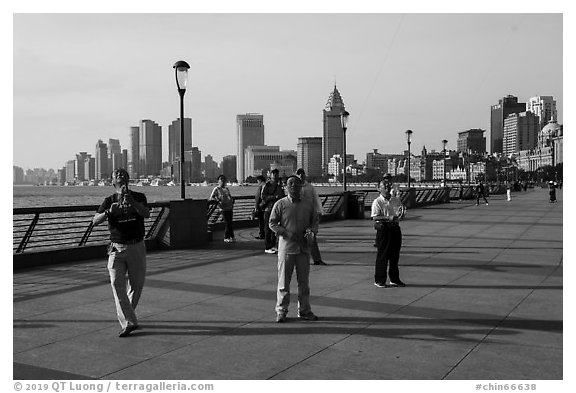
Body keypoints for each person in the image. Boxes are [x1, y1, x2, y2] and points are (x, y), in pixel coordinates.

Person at [92, 168, 150, 337]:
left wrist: (131, 201)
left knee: (136, 286)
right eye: (117, 175)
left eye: (123, 174)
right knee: (117, 285)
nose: (120, 176)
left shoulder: (139, 197)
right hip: (116, 248)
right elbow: (95, 220)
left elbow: (146, 214)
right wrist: (110, 212)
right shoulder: (109, 200)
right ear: (113, 182)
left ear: (128, 179)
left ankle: (128, 317)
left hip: (136, 246)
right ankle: (129, 322)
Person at [269, 176, 319, 322]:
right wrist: (285, 232)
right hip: (287, 249)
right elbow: (272, 223)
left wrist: (312, 231)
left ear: (301, 186)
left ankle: (304, 310)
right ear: (285, 187)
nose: (294, 186)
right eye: (290, 183)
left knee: (304, 283)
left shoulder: (308, 204)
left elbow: (315, 221)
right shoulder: (280, 204)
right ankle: (281, 311)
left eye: (297, 184)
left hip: (303, 249)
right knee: (283, 283)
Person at [371, 186, 405, 288]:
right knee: (383, 256)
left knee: (394, 256)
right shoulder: (377, 202)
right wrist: (388, 218)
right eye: (384, 187)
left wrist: (401, 214)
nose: (387, 188)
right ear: (379, 189)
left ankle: (395, 279)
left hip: (395, 228)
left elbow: (399, 212)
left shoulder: (395, 200)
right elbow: (374, 217)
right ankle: (380, 280)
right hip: (384, 229)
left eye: (388, 186)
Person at [296, 168, 327, 266]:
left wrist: (319, 211)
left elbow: (316, 199)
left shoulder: (310, 187)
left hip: (309, 215)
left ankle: (317, 259)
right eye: (299, 175)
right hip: (297, 215)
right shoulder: (293, 187)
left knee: (312, 237)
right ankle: (298, 259)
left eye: (302, 174)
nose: (301, 176)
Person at [260, 169, 285, 254]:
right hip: (269, 209)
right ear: (270, 175)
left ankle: (273, 245)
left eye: (276, 174)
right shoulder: (267, 186)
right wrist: (273, 197)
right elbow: (263, 197)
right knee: (268, 228)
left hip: (278, 210)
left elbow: (283, 197)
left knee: (275, 229)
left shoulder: (279, 186)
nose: (275, 175)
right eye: (273, 174)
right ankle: (267, 246)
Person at [209, 175, 235, 242]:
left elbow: (230, 197)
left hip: (229, 207)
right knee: (227, 222)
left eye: (224, 179)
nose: (223, 181)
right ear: (218, 181)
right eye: (221, 179)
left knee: (230, 223)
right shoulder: (216, 189)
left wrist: (231, 202)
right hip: (223, 208)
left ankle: (231, 236)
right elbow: (211, 197)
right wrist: (218, 201)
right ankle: (226, 237)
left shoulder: (226, 189)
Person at [253, 175, 267, 239]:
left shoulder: (261, 187)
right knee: (265, 222)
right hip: (266, 207)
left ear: (260, 181)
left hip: (261, 207)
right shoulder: (267, 186)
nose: (257, 183)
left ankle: (262, 234)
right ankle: (266, 234)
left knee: (261, 222)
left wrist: (256, 207)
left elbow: (258, 198)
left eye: (257, 181)